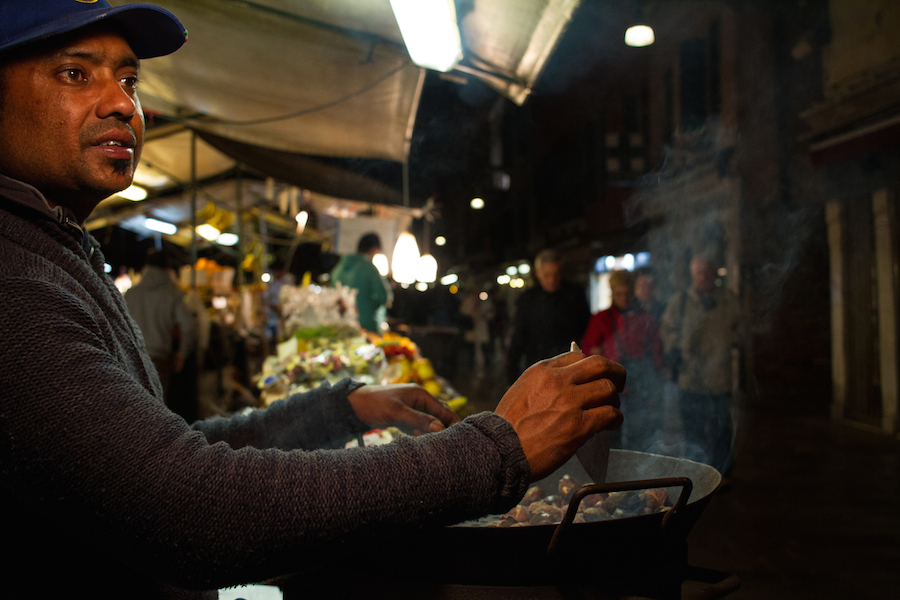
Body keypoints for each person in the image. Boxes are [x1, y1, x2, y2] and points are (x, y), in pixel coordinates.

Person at [0, 3, 624, 598]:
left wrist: (340, 407)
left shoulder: (56, 251)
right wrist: (493, 451)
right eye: (75, 73)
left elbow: (169, 453)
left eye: (130, 78)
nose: (123, 104)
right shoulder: (15, 285)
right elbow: (190, 508)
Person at [660, 255, 742, 474]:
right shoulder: (681, 302)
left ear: (715, 273)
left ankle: (721, 472)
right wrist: (682, 343)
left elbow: (740, 330)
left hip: (720, 379)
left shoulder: (728, 300)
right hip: (691, 379)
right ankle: (697, 472)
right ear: (692, 275)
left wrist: (729, 342)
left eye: (708, 271)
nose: (704, 276)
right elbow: (667, 332)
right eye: (699, 272)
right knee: (693, 430)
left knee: (721, 429)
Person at [582, 270, 663, 451]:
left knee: (639, 431)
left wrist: (656, 380)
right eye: (619, 294)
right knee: (612, 432)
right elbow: (588, 350)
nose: (624, 298)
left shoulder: (645, 318)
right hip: (610, 384)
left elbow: (655, 350)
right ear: (612, 292)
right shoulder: (601, 319)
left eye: (627, 293)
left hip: (638, 383)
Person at [506, 249, 591, 383]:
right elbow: (518, 336)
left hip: (569, 366)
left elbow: (586, 329)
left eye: (556, 274)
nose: (552, 280)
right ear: (538, 273)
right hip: (538, 366)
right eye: (547, 275)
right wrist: (512, 375)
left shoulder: (575, 294)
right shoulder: (527, 299)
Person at [124, 248, 196, 404]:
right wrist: (182, 353)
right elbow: (188, 327)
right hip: (158, 361)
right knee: (157, 409)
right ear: (167, 268)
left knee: (133, 408)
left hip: (131, 358)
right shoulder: (172, 293)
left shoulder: (131, 293)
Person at [331, 231, 390, 333]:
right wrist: (369, 310)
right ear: (374, 250)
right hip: (366, 327)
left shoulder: (338, 267)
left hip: (341, 326)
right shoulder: (369, 268)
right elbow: (383, 297)